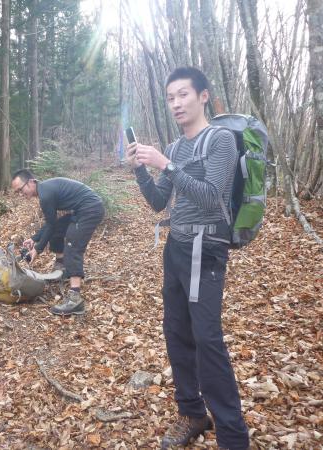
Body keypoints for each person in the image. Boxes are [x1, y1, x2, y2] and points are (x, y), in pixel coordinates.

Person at [126, 67, 249, 450]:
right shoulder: (176, 147)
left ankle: (233, 437)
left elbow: (211, 196)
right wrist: (142, 170)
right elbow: (158, 202)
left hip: (206, 249)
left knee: (207, 339)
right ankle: (192, 412)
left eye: (183, 94)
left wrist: (166, 164)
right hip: (177, 247)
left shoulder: (221, 140)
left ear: (203, 96)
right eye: (170, 98)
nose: (176, 103)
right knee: (176, 332)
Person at [11, 169, 105, 316]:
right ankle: (63, 269)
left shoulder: (45, 195)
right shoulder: (44, 190)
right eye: (17, 192)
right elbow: (52, 223)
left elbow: (50, 225)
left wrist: (37, 249)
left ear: (31, 182)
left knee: (72, 246)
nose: (20, 194)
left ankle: (75, 299)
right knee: (57, 231)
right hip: (82, 210)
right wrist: (35, 239)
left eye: (20, 190)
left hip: (90, 209)